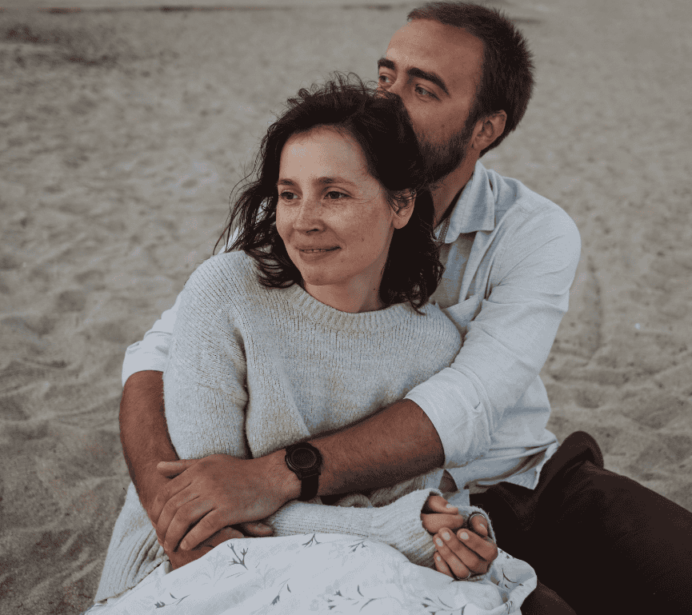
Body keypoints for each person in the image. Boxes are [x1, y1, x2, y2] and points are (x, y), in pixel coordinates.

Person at [118, 2, 692, 613]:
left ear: (485, 128)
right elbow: (160, 354)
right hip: (358, 509)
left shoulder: (533, 231)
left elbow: (468, 399)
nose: (387, 103)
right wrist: (179, 509)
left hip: (510, 481)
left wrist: (275, 474)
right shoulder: (308, 208)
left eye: (422, 89)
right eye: (385, 76)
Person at [89, 78, 537, 614]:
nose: (303, 222)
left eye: (335, 194)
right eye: (288, 194)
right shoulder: (226, 293)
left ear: (400, 204)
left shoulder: (433, 345)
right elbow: (207, 513)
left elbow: (413, 518)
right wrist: (399, 527)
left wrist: (449, 540)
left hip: (352, 569)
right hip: (195, 563)